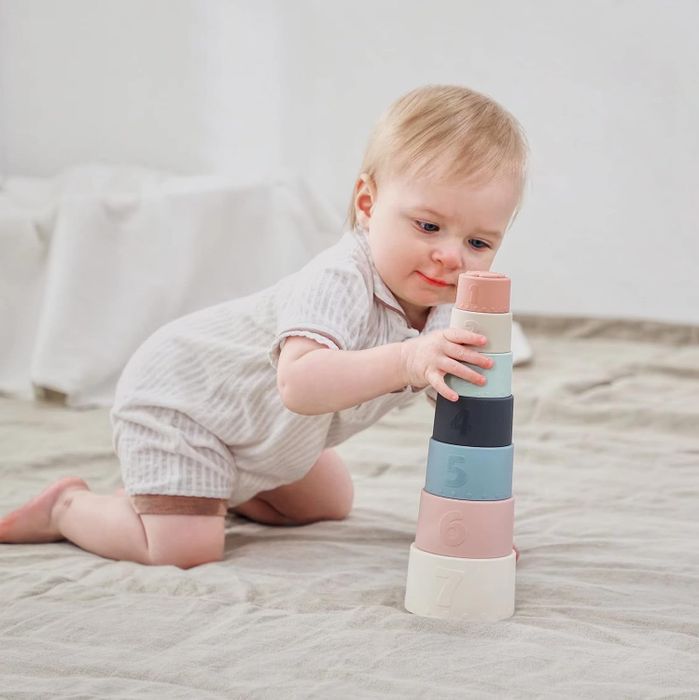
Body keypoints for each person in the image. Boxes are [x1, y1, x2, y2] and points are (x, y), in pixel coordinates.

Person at [0, 85, 527, 568]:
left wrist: (477, 525)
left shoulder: (450, 304)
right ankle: (69, 507)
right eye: (429, 226)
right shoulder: (340, 277)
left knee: (328, 503)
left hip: (267, 432)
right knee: (185, 549)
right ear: (368, 204)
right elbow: (300, 383)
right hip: (187, 400)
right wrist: (410, 360)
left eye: (478, 243)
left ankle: (207, 488)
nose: (449, 257)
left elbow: (466, 427)